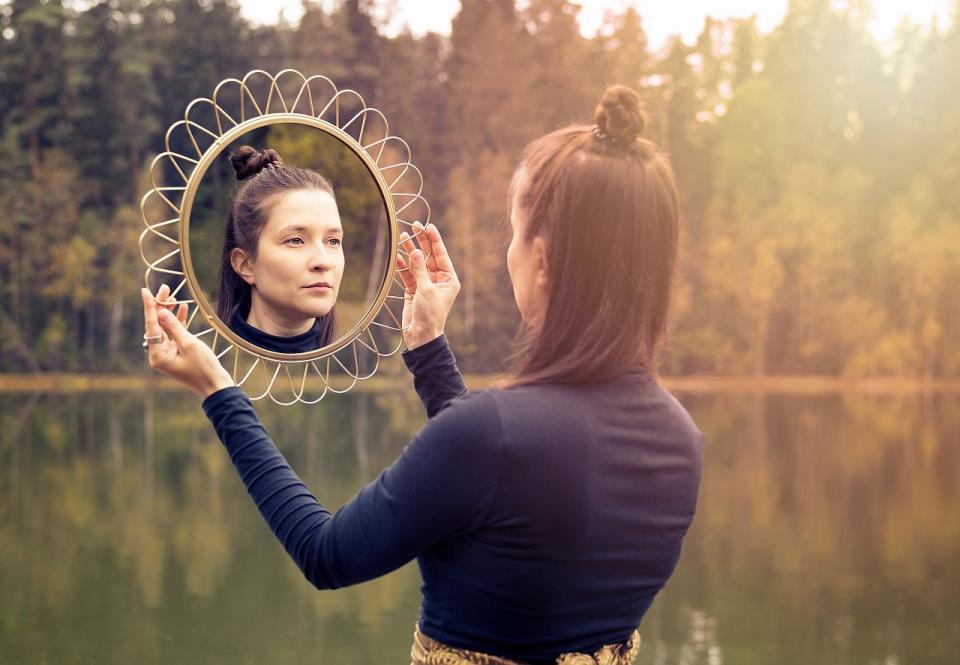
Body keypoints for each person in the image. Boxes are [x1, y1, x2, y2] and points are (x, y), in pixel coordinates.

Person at [141, 85, 703, 665]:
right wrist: (429, 348)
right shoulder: (679, 440)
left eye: (512, 233)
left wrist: (219, 391)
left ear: (543, 257)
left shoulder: (494, 434)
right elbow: (500, 489)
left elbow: (326, 555)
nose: (507, 252)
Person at [216, 146, 343, 353]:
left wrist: (417, 352)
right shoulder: (200, 367)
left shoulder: (356, 370)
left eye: (333, 241)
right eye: (295, 240)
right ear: (245, 265)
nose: (324, 261)